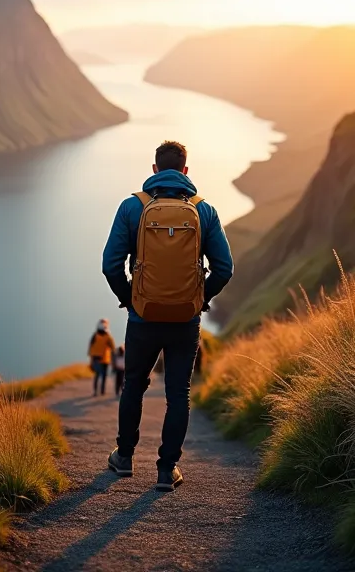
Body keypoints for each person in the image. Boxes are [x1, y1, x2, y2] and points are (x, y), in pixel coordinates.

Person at [102, 140, 234, 492]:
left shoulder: (133, 207)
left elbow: (110, 265)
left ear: (155, 170)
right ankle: (166, 470)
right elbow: (225, 268)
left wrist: (130, 299)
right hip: (185, 320)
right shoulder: (205, 212)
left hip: (143, 317)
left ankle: (125, 458)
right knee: (179, 393)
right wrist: (200, 298)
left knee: (134, 386)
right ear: (186, 171)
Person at [88, 319, 115, 396]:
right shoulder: (107, 336)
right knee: (102, 376)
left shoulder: (96, 336)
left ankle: (97, 391)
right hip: (102, 359)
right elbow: (112, 347)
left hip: (100, 359)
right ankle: (100, 391)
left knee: (99, 375)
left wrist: (91, 359)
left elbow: (91, 347)